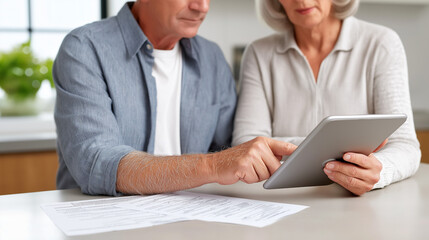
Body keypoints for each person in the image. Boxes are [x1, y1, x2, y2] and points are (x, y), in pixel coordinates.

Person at [53, 0, 297, 196]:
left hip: (188, 219)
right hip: (101, 221)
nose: (201, 6)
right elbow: (97, 164)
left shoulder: (212, 58)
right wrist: (212, 166)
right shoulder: (85, 48)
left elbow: (231, 153)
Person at [233, 0, 421, 196]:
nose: (302, 1)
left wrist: (379, 170)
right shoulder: (259, 53)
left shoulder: (381, 43)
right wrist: (339, 151)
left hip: (357, 205)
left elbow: (405, 144)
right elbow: (245, 145)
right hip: (281, 200)